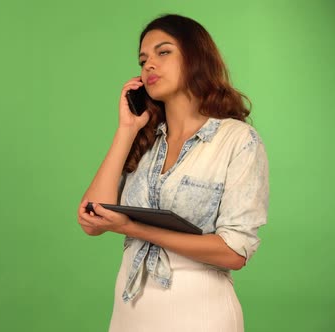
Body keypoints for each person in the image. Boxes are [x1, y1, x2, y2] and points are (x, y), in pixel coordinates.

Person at [77, 14, 269, 332]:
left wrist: (134, 228)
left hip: (200, 313)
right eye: (143, 59)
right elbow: (91, 221)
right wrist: (127, 129)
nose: (149, 64)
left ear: (196, 58)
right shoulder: (146, 142)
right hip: (130, 310)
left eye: (163, 52)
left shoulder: (236, 140)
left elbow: (235, 252)